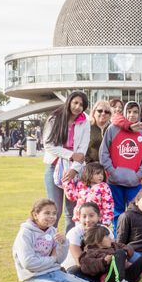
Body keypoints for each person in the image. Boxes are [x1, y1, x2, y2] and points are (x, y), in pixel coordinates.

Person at [12, 198, 95, 282]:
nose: (51, 217)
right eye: (47, 213)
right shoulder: (25, 234)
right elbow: (28, 263)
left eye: (54, 213)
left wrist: (63, 244)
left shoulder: (53, 231)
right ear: (35, 215)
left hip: (54, 272)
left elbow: (59, 260)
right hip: (34, 277)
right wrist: (52, 259)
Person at [99, 101, 142, 232]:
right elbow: (104, 153)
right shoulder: (113, 129)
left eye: (135, 112)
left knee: (136, 213)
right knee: (116, 213)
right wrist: (111, 171)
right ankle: (118, 239)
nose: (132, 115)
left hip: (134, 182)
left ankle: (133, 240)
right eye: (129, 112)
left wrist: (139, 174)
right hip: (114, 181)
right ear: (124, 113)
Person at [42, 91, 90, 232]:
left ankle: (69, 245)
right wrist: (71, 155)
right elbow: (49, 145)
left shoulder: (84, 122)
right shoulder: (54, 118)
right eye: (75, 102)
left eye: (81, 104)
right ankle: (49, 242)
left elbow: (82, 150)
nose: (77, 107)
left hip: (74, 170)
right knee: (53, 211)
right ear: (69, 102)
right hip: (54, 167)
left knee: (72, 211)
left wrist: (74, 168)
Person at [64, 202, 111, 281]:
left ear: (99, 217)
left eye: (91, 216)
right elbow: (79, 262)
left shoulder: (104, 229)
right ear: (79, 218)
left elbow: (112, 248)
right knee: (73, 272)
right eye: (84, 216)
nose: (88, 220)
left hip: (100, 263)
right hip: (79, 266)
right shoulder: (74, 233)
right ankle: (100, 279)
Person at [72, 163, 113, 227]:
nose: (100, 176)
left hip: (96, 220)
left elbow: (108, 204)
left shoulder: (104, 187)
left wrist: (106, 222)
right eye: (97, 174)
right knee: (81, 236)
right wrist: (67, 182)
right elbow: (73, 197)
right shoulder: (81, 184)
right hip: (80, 219)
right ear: (89, 174)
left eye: (102, 174)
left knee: (94, 236)